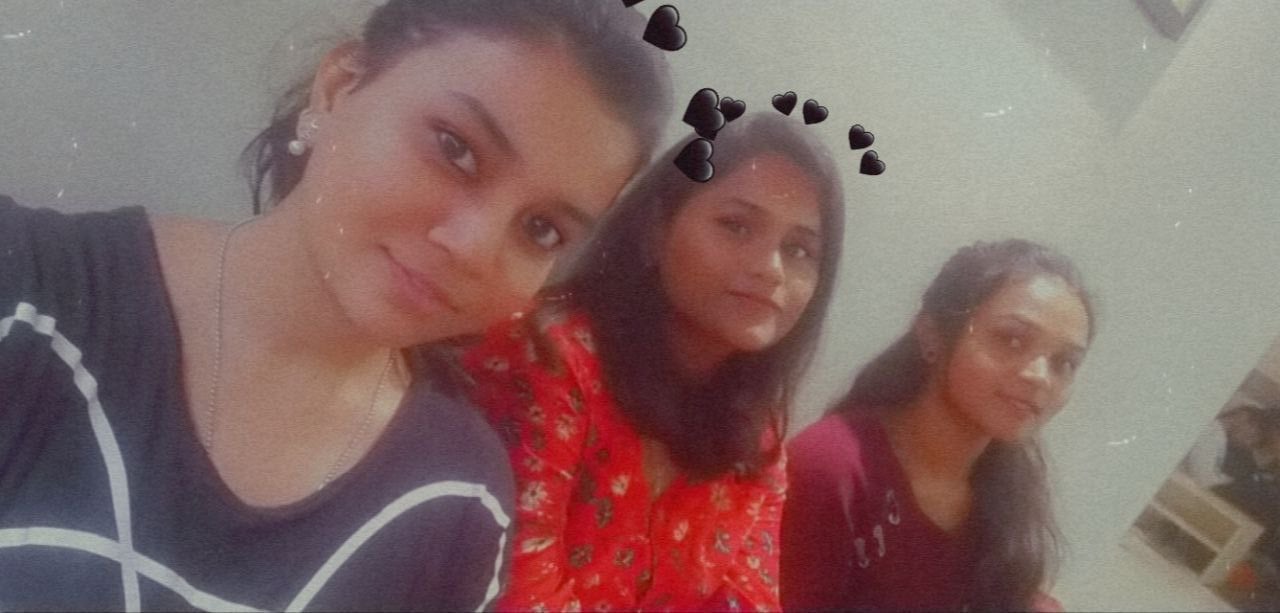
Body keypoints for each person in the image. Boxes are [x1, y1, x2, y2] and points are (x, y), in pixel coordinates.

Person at [0, 1, 672, 610]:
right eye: (456, 148)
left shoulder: (456, 501)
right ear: (339, 87)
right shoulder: (29, 298)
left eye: (541, 229)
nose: (473, 247)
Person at [463, 112, 845, 611]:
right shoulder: (547, 358)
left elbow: (749, 600)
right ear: (656, 230)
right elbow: (516, 596)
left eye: (798, 250)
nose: (771, 268)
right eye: (736, 225)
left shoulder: (756, 434)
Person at [782, 239, 1095, 612]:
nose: (1040, 376)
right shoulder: (833, 468)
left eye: (1064, 363)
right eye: (1012, 340)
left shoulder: (1010, 490)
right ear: (932, 333)